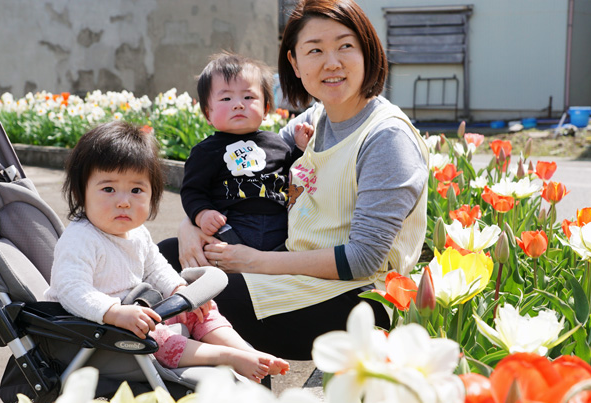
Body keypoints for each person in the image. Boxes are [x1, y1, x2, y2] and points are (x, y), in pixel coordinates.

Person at [159, 0, 429, 360]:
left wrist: (253, 261)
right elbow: (249, 165)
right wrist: (190, 223)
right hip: (294, 272)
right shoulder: (317, 118)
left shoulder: (385, 138)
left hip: (358, 297)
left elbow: (363, 259)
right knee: (165, 256)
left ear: (368, 50)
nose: (331, 63)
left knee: (200, 291)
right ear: (295, 64)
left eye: (345, 46)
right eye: (314, 50)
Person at [44, 121, 288, 382]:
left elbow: (155, 268)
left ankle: (243, 349)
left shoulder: (137, 233)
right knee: (157, 336)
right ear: (81, 193)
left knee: (200, 309)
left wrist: (178, 290)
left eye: (136, 190)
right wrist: (114, 312)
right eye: (108, 189)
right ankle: (225, 356)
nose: (124, 201)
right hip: (92, 330)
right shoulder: (81, 238)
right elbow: (71, 289)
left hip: (135, 314)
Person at [182, 52, 312, 250]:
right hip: (230, 227)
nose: (238, 104)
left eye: (248, 97)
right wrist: (203, 214)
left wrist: (300, 149)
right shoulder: (205, 151)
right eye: (226, 98)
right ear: (208, 114)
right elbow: (193, 191)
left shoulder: (277, 143)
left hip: (280, 228)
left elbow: (293, 176)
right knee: (172, 249)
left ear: (266, 108)